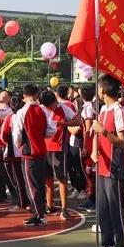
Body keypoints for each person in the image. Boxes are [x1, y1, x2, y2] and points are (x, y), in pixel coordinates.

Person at [89, 74, 124, 247]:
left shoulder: (119, 111)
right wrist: (95, 150)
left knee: (116, 209)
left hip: (115, 166)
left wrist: (103, 131)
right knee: (103, 210)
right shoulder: (102, 109)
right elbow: (97, 133)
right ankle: (108, 246)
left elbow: (122, 142)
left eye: (98, 87)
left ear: (103, 90)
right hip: (101, 166)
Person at [14, 84, 56, 226]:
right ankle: (40, 212)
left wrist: (20, 144)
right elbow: (52, 130)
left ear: (24, 96)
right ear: (37, 95)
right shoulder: (43, 110)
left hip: (29, 153)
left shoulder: (22, 112)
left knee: (32, 186)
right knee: (39, 183)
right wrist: (40, 135)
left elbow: (17, 134)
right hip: (41, 151)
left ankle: (39, 215)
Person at [40, 89, 78, 219]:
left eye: (55, 103)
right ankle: (50, 205)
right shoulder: (41, 109)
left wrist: (63, 123)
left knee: (61, 178)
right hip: (43, 148)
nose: (54, 106)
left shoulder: (63, 108)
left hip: (59, 148)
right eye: (51, 105)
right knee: (47, 178)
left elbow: (78, 121)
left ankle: (64, 208)